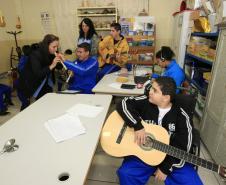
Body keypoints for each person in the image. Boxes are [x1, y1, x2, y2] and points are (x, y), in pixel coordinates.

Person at [116, 76, 203, 185]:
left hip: (171, 158)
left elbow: (184, 146)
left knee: (192, 183)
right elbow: (123, 103)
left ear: (165, 98)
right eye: (151, 88)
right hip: (144, 153)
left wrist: (166, 168)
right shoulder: (145, 101)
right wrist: (137, 126)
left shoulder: (182, 116)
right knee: (126, 173)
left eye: (154, 90)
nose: (150, 92)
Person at [17, 34, 62, 110]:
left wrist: (61, 60)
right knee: (30, 106)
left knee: (49, 99)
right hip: (31, 82)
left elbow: (58, 66)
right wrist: (52, 65)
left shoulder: (51, 52)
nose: (56, 49)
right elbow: (38, 73)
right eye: (54, 47)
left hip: (45, 81)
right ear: (46, 45)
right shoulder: (35, 54)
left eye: (57, 46)